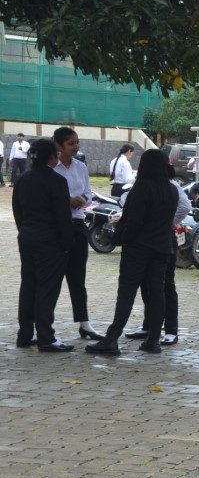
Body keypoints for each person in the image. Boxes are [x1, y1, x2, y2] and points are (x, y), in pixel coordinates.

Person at [87, 149, 179, 356]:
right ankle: (153, 340)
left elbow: (135, 221)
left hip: (138, 248)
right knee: (157, 293)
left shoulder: (142, 188)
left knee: (127, 293)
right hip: (162, 247)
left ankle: (112, 338)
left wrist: (122, 238)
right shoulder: (171, 190)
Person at [14, 139, 75, 351]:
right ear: (51, 157)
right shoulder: (56, 180)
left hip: (27, 237)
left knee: (28, 286)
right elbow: (62, 215)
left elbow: (17, 210)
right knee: (47, 288)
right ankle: (46, 337)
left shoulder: (22, 179)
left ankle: (24, 335)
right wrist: (67, 242)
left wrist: (24, 231)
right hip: (50, 241)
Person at [126, 166, 192, 347]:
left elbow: (185, 206)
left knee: (166, 285)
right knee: (146, 284)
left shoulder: (171, 186)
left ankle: (171, 330)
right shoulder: (144, 186)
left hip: (164, 240)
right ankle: (149, 326)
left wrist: (169, 222)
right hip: (146, 241)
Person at [51, 127, 106, 341]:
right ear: (59, 145)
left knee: (78, 278)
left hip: (78, 224)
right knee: (53, 278)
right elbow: (48, 196)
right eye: (71, 143)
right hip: (57, 228)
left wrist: (82, 199)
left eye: (77, 142)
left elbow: (89, 193)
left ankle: (85, 324)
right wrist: (67, 201)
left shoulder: (81, 167)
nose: (76, 146)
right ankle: (45, 325)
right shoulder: (51, 168)